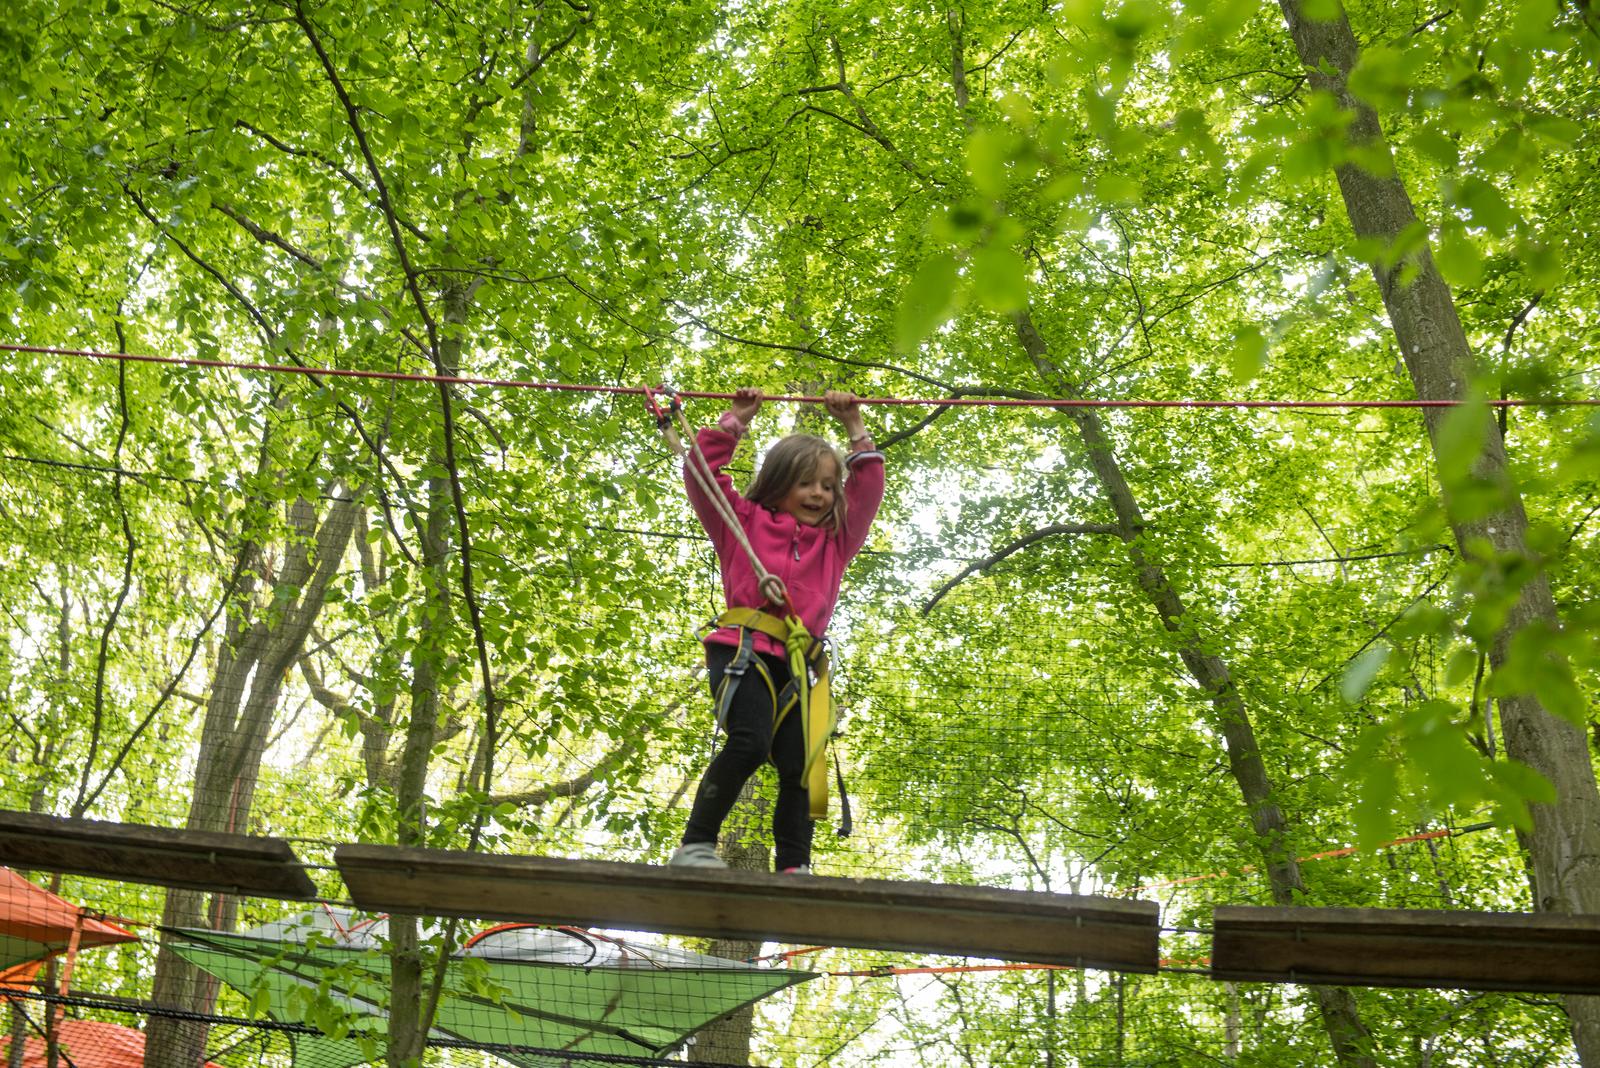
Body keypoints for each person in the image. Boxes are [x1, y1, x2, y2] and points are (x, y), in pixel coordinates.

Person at [670, 386, 885, 873]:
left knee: (803, 766)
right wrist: (734, 422)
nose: (819, 495)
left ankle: (795, 867)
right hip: (743, 648)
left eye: (828, 487)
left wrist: (855, 427)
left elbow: (868, 490)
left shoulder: (836, 542)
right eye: (807, 483)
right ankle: (695, 845)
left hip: (798, 663)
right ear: (778, 482)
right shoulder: (740, 523)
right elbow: (701, 475)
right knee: (748, 740)